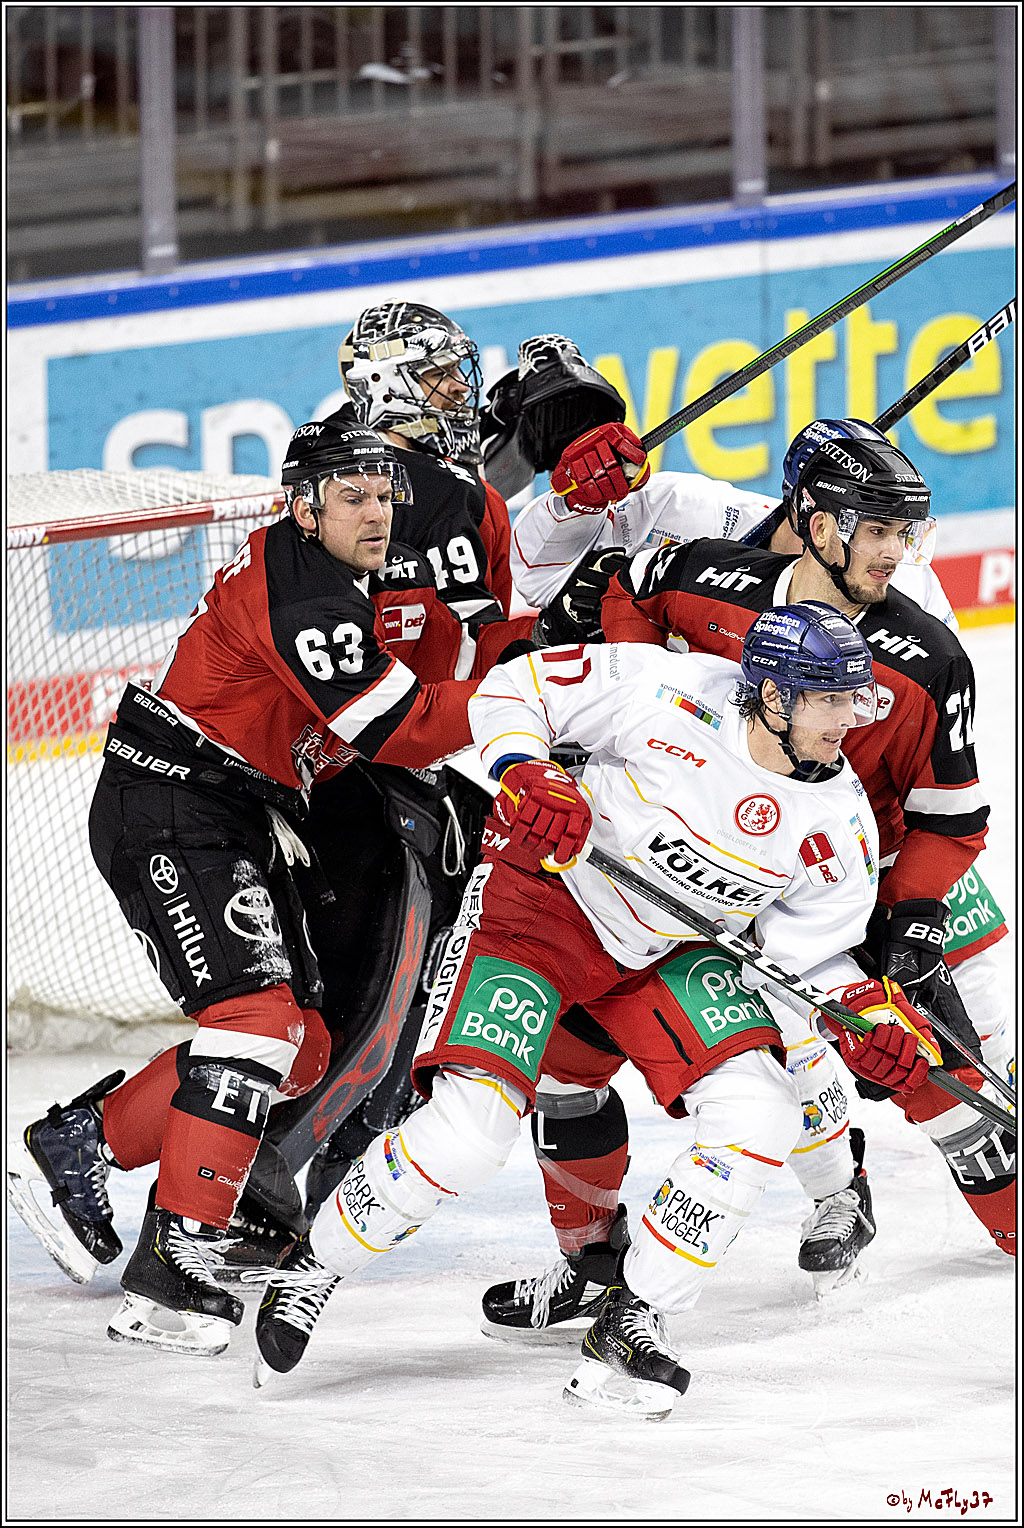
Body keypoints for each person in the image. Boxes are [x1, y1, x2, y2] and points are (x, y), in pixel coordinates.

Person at [248, 604, 990, 1417]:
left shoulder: (838, 817)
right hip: (540, 909)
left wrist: (866, 1019)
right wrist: (529, 771)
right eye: (828, 700)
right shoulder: (665, 690)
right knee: (468, 1135)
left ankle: (636, 1316)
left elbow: (811, 954)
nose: (848, 720)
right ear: (772, 695)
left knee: (758, 1116)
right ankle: (313, 1265)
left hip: (665, 948)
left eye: (853, 699)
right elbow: (512, 692)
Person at [480, 418, 1015, 1334]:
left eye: (903, 533)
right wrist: (599, 720)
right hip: (702, 871)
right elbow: (619, 598)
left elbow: (952, 821)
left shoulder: (928, 656)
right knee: (581, 1057)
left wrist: (917, 919)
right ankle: (595, 1264)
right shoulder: (707, 576)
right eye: (874, 529)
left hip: (857, 877)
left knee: (937, 1075)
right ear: (812, 520)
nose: (894, 553)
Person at [8, 420, 501, 1355]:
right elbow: (398, 729)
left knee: (304, 1045)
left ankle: (82, 1142)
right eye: (352, 495)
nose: (378, 511)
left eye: (385, 494)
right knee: (257, 1021)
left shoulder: (339, 575)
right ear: (303, 504)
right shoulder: (302, 591)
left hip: (235, 814)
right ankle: (173, 1265)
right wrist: (537, 694)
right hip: (172, 807)